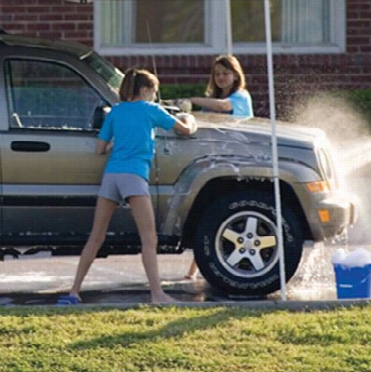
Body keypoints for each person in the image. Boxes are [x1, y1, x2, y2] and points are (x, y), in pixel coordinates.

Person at [57, 68, 197, 306]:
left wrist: (115, 143)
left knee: (96, 236)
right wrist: (190, 118)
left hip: (111, 176)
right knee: (149, 238)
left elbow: (99, 149)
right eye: (154, 91)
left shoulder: (116, 111)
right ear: (145, 90)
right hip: (134, 176)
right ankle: (157, 294)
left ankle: (73, 291)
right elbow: (183, 130)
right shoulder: (151, 109)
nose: (155, 96)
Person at [178, 54, 253, 280]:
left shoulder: (240, 96)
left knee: (221, 217)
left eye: (225, 73)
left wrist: (193, 100)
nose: (221, 78)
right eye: (217, 74)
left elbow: (223, 106)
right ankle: (192, 272)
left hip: (240, 161)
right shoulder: (215, 97)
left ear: (236, 75)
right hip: (219, 161)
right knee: (211, 217)